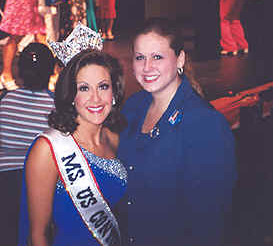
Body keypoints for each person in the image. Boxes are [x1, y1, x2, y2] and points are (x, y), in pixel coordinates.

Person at [117, 17, 237, 246]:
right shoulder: (133, 108)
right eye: (140, 57)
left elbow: (210, 221)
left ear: (180, 59)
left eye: (157, 57)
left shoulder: (205, 124)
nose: (147, 67)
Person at [18, 30, 127, 245]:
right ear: (70, 95)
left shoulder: (117, 137)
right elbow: (37, 235)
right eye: (84, 88)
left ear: (114, 91)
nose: (95, 98)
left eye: (103, 86)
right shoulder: (48, 149)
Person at [0, 42, 55, 246]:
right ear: (51, 72)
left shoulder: (5, 101)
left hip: (4, 181)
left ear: (19, 72)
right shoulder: (55, 105)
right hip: (41, 183)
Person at [0, 0, 47, 90]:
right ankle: (6, 75)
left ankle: (47, 76)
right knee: (16, 35)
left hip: (36, 0)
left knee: (40, 34)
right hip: (21, 0)